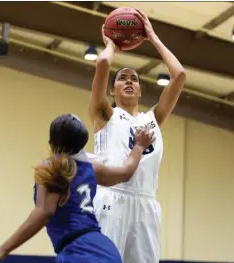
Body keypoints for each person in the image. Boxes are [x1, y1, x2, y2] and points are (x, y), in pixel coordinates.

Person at [0, 114, 154, 263]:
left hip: (79, 252)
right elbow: (125, 172)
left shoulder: (50, 166)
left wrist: (1, 250)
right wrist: (138, 146)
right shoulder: (92, 167)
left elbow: (45, 211)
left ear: (51, 141)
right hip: (105, 249)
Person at [88, 9, 186, 263]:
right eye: (122, 79)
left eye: (134, 78)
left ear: (141, 90)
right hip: (111, 199)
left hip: (146, 205)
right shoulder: (104, 115)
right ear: (113, 88)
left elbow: (179, 75)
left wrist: (152, 37)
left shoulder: (152, 119)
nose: (129, 81)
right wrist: (111, 43)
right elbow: (103, 64)